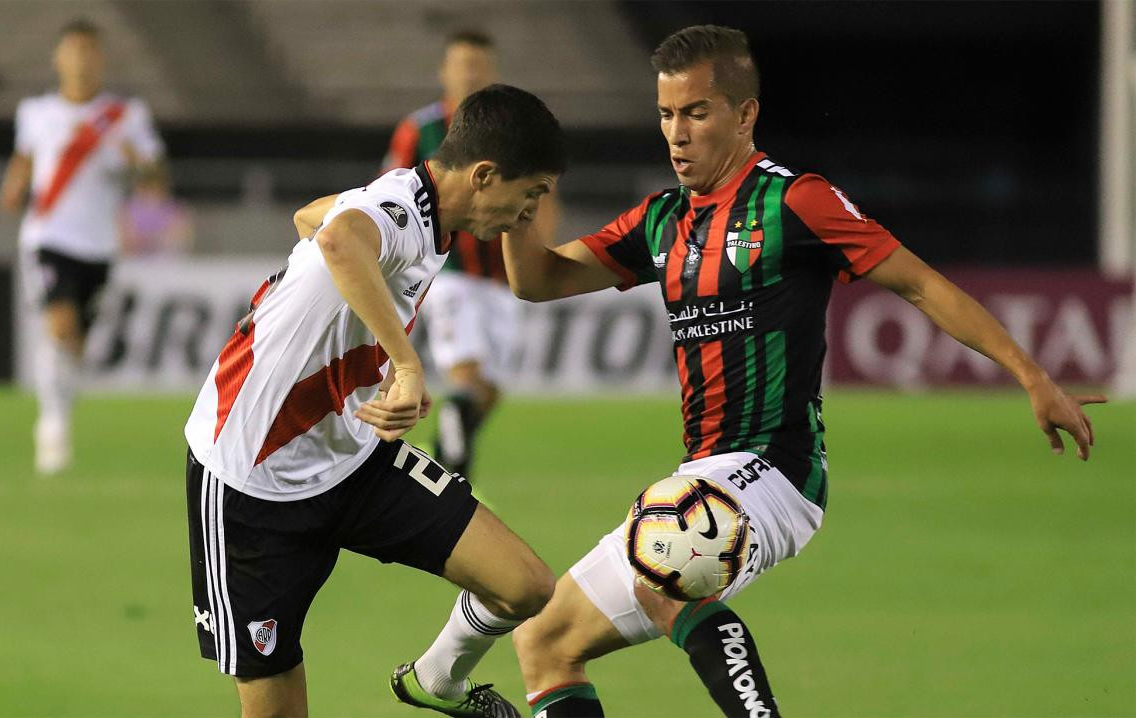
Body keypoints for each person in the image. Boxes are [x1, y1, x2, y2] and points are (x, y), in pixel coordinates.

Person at [409, 26, 1106, 717]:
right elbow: (536, 280)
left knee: (666, 549)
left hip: (777, 472)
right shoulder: (664, 219)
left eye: (696, 113)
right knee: (547, 641)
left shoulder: (794, 201)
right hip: (705, 469)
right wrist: (516, 190)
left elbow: (920, 284)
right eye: (665, 114)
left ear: (745, 116)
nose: (676, 134)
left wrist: (1031, 373)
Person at [184, 84, 563, 718]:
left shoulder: (420, 211)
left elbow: (312, 218)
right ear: (485, 175)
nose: (528, 215)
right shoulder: (399, 205)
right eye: (529, 195)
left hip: (354, 457)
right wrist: (408, 365)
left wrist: (376, 364)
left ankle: (436, 681)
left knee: (524, 585)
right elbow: (334, 241)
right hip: (252, 484)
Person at [383, 30, 551, 480]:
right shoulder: (421, 130)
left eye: (479, 65)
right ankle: (452, 481)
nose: (471, 74)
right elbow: (390, 192)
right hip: (449, 271)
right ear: (445, 72)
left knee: (489, 391)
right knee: (466, 374)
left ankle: (441, 460)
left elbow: (543, 192)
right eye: (462, 65)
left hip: (502, 278)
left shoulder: (513, 132)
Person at [0, 18, 164, 474]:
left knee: (75, 346)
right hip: (48, 237)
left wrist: (138, 164)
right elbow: (25, 161)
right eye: (73, 50)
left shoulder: (125, 116)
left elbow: (156, 181)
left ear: (101, 57)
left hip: (99, 246)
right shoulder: (36, 112)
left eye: (89, 50)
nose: (81, 59)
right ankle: (51, 425)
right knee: (60, 324)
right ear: (58, 58)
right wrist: (13, 188)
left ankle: (59, 412)